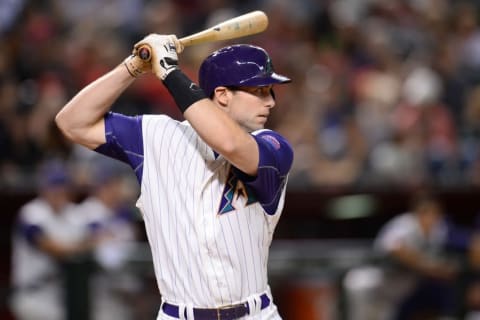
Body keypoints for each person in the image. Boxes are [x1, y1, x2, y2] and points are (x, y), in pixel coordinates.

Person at [55, 33, 294, 320]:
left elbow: (230, 144)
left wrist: (169, 71)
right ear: (221, 95)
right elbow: (71, 123)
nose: (270, 102)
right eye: (259, 91)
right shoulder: (155, 136)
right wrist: (133, 66)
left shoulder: (275, 148)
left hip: (254, 313)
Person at [9, 160, 95, 320]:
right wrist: (79, 248)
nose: (58, 192)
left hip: (58, 298)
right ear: (44, 189)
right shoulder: (32, 213)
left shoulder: (73, 213)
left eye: (61, 187)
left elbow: (97, 236)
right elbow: (51, 247)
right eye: (53, 187)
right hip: (32, 295)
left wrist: (85, 244)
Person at [372, 192, 459, 320]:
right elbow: (396, 250)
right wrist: (429, 267)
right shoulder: (404, 225)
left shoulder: (439, 229)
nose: (431, 217)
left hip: (410, 284)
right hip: (383, 283)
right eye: (426, 212)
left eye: (435, 213)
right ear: (416, 213)